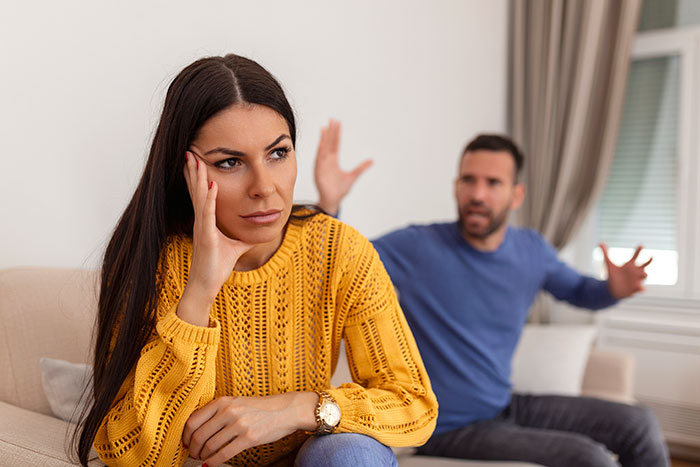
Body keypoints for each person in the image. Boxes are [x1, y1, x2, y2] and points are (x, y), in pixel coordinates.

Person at [73, 55, 438, 467]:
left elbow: (413, 403)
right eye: (230, 162)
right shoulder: (155, 263)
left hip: (313, 457)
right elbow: (134, 455)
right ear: (184, 170)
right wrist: (200, 291)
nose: (264, 187)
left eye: (278, 153)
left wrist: (299, 409)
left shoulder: (340, 250)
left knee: (349, 453)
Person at [314, 121, 670, 467]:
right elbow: (340, 261)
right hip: (445, 425)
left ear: (517, 194)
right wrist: (329, 206)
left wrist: (612, 289)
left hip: (502, 406)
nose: (478, 194)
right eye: (468, 181)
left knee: (639, 424)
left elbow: (580, 291)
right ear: (456, 187)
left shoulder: (532, 249)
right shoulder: (419, 246)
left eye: (492, 183)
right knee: (589, 458)